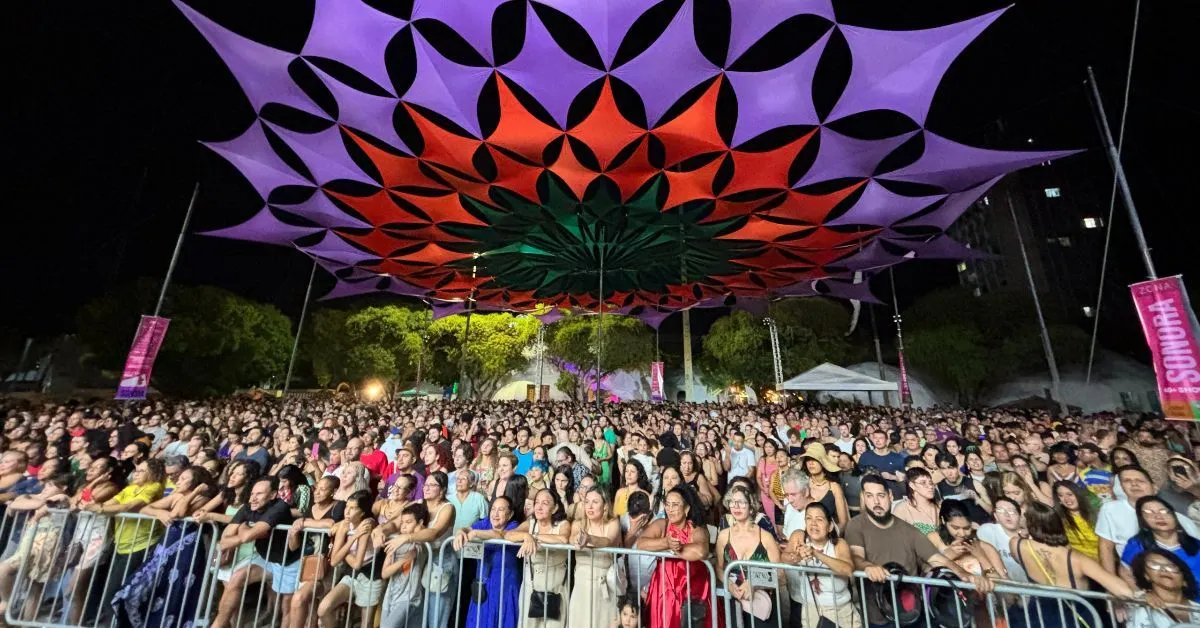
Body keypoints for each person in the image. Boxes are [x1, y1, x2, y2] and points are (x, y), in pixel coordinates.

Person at [846, 474, 994, 628]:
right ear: (863, 497)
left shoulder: (908, 529)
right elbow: (856, 557)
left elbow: (938, 559)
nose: (876, 502)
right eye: (869, 496)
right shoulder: (855, 526)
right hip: (879, 615)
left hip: (912, 610)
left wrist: (967, 576)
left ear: (890, 496)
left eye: (881, 495)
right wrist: (868, 567)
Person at [1011, 502, 1134, 628]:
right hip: (1074, 617)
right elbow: (1122, 590)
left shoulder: (1017, 545)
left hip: (1039, 615)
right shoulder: (1077, 559)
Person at [211, 476, 302, 628]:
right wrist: (245, 532)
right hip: (266, 559)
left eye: (259, 494)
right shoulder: (247, 507)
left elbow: (247, 537)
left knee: (287, 606)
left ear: (273, 495)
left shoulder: (280, 507)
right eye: (252, 494)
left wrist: (242, 528)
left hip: (288, 561)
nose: (253, 498)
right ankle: (218, 625)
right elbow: (224, 540)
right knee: (237, 578)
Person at [88, 459, 166, 623]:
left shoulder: (154, 487)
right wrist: (98, 505)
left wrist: (100, 508)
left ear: (152, 473)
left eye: (141, 471)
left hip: (141, 543)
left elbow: (129, 507)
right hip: (121, 543)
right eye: (136, 470)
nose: (136, 473)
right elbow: (108, 504)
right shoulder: (129, 488)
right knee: (111, 590)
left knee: (115, 591)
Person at [380, 471, 457, 628]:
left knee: (435, 617)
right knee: (417, 619)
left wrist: (406, 537)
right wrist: (381, 530)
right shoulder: (419, 502)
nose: (426, 488)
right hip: (419, 561)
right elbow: (395, 522)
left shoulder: (447, 508)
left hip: (440, 562)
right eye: (426, 484)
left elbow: (434, 533)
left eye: (432, 485)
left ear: (442, 490)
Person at [1097, 466, 1200, 576]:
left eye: (1140, 481)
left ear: (1154, 487)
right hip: (1135, 575)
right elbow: (1106, 547)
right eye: (1127, 481)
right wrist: (1112, 582)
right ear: (1122, 487)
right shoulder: (1110, 509)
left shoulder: (1177, 518)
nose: (1134, 484)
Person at [638, 484, 713, 628]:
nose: (670, 509)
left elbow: (700, 551)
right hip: (664, 590)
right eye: (667, 504)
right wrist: (666, 542)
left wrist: (677, 548)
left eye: (675, 505)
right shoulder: (662, 524)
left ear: (686, 509)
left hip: (692, 589)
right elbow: (642, 543)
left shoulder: (697, 529)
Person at [783, 502, 861, 628]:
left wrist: (815, 553)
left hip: (840, 609)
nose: (813, 524)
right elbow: (784, 558)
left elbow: (847, 569)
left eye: (819, 519)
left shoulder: (838, 544)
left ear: (830, 526)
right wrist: (796, 557)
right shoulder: (799, 537)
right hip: (811, 609)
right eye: (809, 518)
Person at [715, 484, 782, 628]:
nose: (736, 506)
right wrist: (729, 585)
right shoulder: (723, 536)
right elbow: (719, 568)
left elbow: (780, 572)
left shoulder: (765, 537)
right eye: (733, 502)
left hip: (761, 604)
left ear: (751, 506)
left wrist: (754, 584)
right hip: (734, 601)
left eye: (742, 502)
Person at [317, 490, 384, 628]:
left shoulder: (367, 524)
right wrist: (353, 538)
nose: (347, 511)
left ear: (363, 511)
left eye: (353, 508)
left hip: (371, 573)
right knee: (323, 608)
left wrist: (341, 550)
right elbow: (334, 561)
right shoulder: (344, 524)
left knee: (366, 624)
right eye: (347, 507)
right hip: (352, 574)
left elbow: (357, 563)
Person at [454, 496, 521, 628]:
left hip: (504, 584)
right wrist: (460, 532)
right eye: (493, 509)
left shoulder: (514, 526)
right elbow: (467, 529)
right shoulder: (485, 523)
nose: (495, 514)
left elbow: (500, 535)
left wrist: (476, 533)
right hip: (483, 583)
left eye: (501, 510)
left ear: (510, 514)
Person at [509, 489, 571, 628]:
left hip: (556, 588)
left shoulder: (563, 524)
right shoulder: (531, 524)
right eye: (537, 502)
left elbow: (563, 539)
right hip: (532, 587)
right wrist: (526, 536)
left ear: (554, 507)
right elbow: (509, 535)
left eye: (545, 503)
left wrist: (534, 537)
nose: (539, 506)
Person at [1119, 495, 1200, 593]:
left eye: (1164, 511)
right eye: (1149, 513)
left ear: (1174, 516)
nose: (1159, 516)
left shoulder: (1196, 545)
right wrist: (1143, 596)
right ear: (1143, 521)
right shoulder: (1137, 545)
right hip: (1160, 605)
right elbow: (1126, 573)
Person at [566, 486, 621, 628]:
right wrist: (577, 539)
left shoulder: (613, 523)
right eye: (587, 502)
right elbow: (572, 538)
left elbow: (608, 541)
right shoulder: (578, 524)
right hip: (581, 586)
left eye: (595, 502)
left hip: (604, 588)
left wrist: (589, 539)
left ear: (604, 505)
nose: (590, 506)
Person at [379, 502, 429, 628]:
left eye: (409, 522)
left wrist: (418, 527)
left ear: (419, 523)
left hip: (409, 598)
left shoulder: (420, 543)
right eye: (402, 522)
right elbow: (384, 573)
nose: (404, 526)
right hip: (391, 596)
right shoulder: (395, 543)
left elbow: (424, 532)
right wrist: (403, 560)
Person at [926, 500, 1006, 577]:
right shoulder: (934, 538)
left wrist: (981, 557)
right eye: (955, 528)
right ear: (943, 521)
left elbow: (1005, 586)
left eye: (966, 528)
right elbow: (927, 573)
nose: (962, 534)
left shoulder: (984, 546)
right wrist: (948, 556)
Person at [1126, 548, 1200, 627]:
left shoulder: (1197, 609)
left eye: (1171, 566)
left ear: (1184, 581)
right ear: (1146, 576)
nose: (1164, 569)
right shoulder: (1143, 608)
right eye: (1154, 565)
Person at [975, 497, 1029, 582]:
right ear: (996, 516)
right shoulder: (988, 531)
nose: (1007, 514)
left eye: (1011, 511)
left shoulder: (1029, 536)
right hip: (1004, 585)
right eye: (1000, 510)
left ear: (1019, 515)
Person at [801, 442, 849, 528]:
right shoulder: (803, 484)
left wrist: (829, 539)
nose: (810, 463)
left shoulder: (834, 487)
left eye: (814, 459)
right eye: (808, 459)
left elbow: (843, 522)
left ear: (823, 462)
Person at [1054, 480, 1100, 560]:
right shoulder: (1060, 519)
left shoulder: (1096, 514)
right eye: (1061, 495)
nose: (1066, 499)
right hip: (1079, 563)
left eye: (1070, 494)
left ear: (1078, 494)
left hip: (1103, 560)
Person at [892, 467, 940, 535]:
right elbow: (896, 536)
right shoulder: (902, 509)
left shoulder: (939, 506)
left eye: (931, 482)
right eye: (923, 483)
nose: (930, 486)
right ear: (912, 485)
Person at [858, 431, 905, 497]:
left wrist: (892, 477)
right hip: (872, 495)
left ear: (887, 440)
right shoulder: (865, 456)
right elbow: (859, 475)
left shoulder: (897, 457)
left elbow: (905, 478)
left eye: (881, 438)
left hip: (893, 495)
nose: (877, 440)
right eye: (875, 438)